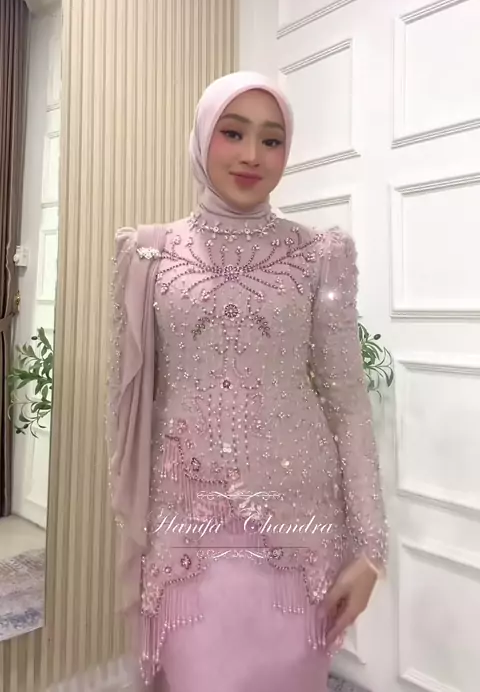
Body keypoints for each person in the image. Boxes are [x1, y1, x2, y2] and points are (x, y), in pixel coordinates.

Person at [107, 71, 388, 692]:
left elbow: (346, 402)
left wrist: (370, 550)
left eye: (272, 139)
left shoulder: (320, 255)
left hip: (301, 534)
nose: (252, 155)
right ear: (202, 136)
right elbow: (128, 404)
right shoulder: (148, 254)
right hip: (187, 535)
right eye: (233, 133)